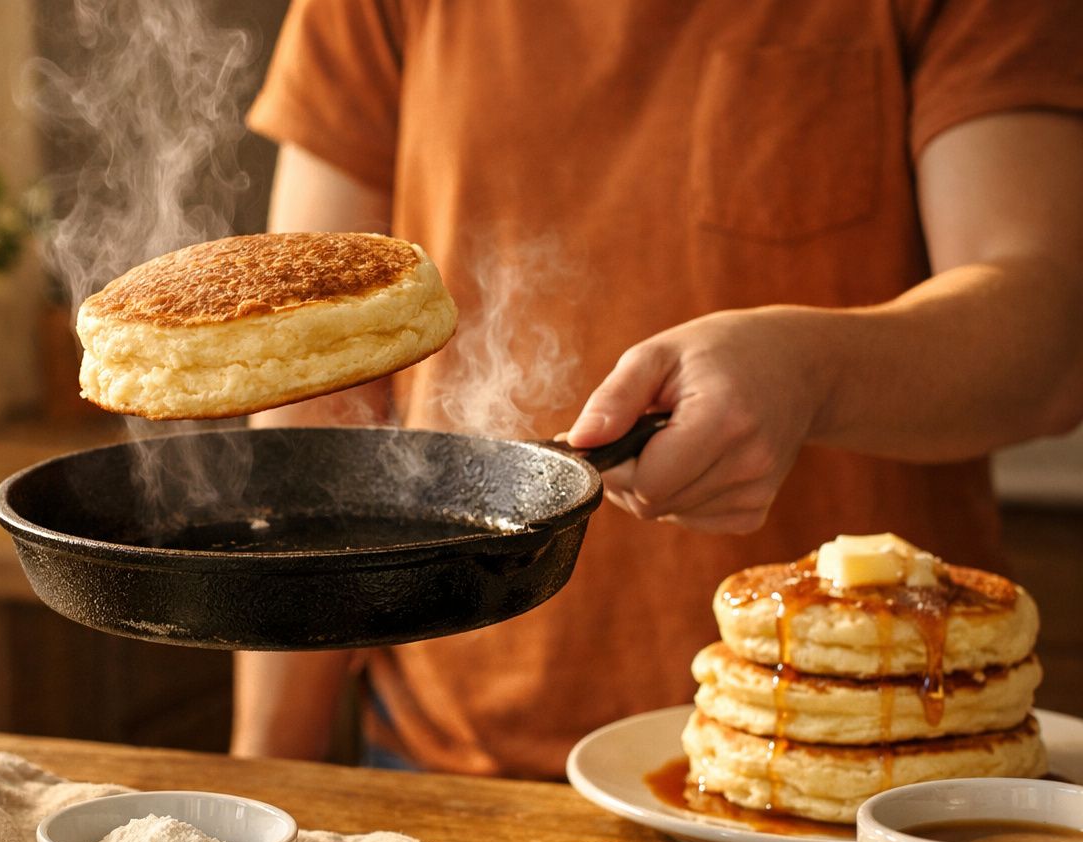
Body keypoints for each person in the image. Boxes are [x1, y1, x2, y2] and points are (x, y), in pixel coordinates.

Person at [231, 0, 1083, 779]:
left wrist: (813, 372)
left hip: (877, 758)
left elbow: (1049, 335)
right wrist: (269, 771)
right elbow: (316, 393)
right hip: (454, 765)